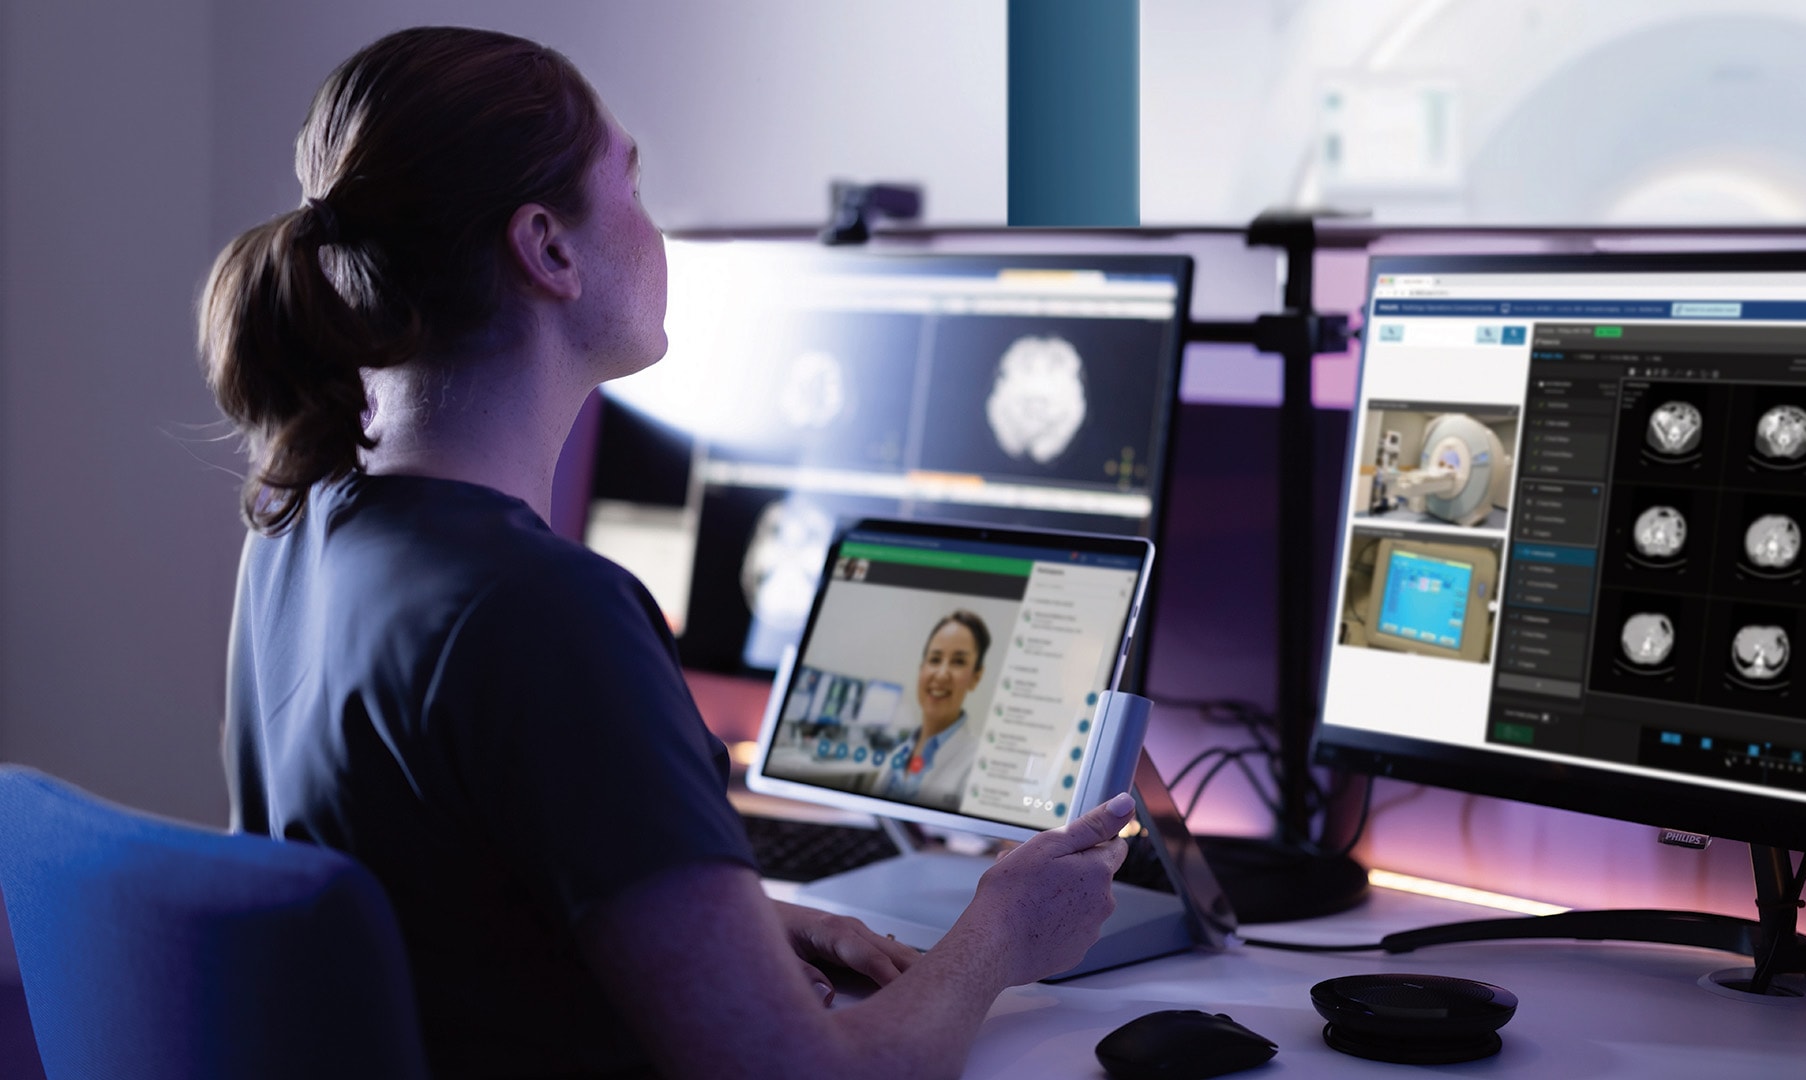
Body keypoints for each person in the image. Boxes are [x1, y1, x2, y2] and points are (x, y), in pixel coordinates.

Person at [200, 25, 1133, 1080]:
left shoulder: (302, 523)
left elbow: (439, 912)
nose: (654, 232)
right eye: (631, 188)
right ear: (548, 249)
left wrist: (727, 925)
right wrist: (1001, 933)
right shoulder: (544, 612)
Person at [875, 611, 991, 812]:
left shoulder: (981, 766)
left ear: (976, 677)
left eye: (958, 661)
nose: (941, 673)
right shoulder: (899, 753)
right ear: (922, 668)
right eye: (935, 659)